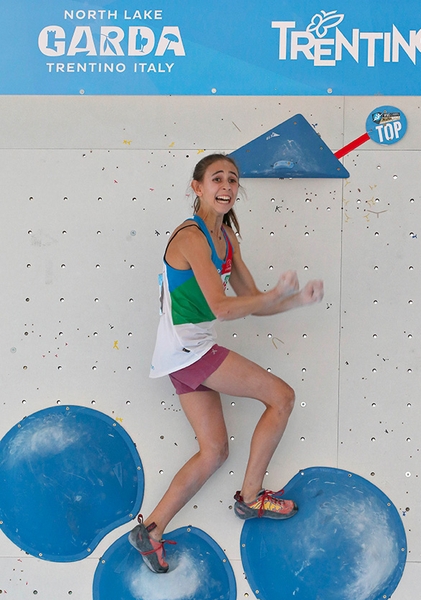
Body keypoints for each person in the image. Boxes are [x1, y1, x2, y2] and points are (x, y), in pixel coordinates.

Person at [129, 153, 324, 573]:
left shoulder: (227, 241)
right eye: (217, 178)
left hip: (181, 355)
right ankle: (252, 498)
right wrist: (272, 295)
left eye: (233, 180)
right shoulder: (191, 238)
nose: (227, 186)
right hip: (189, 351)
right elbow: (221, 307)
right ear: (196, 187)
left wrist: (293, 301)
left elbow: (253, 303)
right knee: (282, 397)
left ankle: (152, 531)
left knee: (214, 451)